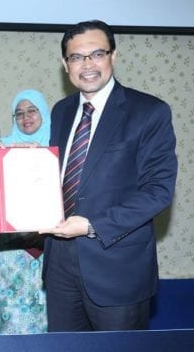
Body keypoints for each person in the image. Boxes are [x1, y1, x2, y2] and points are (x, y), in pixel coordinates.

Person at [39, 20, 178, 331]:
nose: (87, 65)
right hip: (60, 263)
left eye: (96, 54)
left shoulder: (149, 112)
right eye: (76, 57)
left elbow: (158, 191)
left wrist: (91, 226)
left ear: (113, 56)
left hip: (117, 265)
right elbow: (57, 176)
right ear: (65, 65)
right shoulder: (60, 111)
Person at [0, 89, 50, 334]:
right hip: (12, 251)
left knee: (51, 319)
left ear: (43, 114)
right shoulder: (2, 147)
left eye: (32, 110)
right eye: (19, 113)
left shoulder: (59, 149)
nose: (26, 117)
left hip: (50, 248)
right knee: (13, 323)